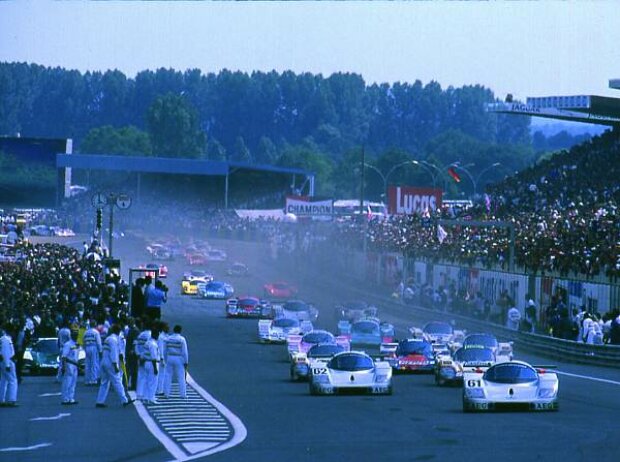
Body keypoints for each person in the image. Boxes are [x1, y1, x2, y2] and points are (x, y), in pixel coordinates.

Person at [96, 324, 132, 408]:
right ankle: (124, 400)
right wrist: (115, 364)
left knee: (104, 382)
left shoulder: (108, 338)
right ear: (118, 331)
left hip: (103, 362)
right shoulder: (114, 340)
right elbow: (114, 353)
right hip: (110, 363)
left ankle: (100, 401)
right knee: (117, 381)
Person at [164, 325, 189, 399]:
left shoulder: (168, 338)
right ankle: (183, 394)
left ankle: (166, 393)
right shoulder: (182, 339)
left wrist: (165, 359)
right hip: (178, 358)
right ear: (180, 331)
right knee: (181, 377)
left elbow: (165, 350)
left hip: (169, 357)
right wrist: (186, 362)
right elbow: (185, 352)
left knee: (168, 376)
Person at [0, 323, 18, 406]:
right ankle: (12, 399)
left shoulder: (3, 339)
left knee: (3, 380)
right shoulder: (6, 340)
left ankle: (1, 399)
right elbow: (5, 352)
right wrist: (7, 364)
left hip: (3, 361)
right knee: (12, 380)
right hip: (7, 361)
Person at [60, 330, 80, 405]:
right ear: (71, 335)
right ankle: (65, 399)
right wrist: (64, 366)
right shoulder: (67, 344)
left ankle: (71, 398)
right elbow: (64, 357)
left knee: (73, 382)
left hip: (75, 365)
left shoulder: (77, 344)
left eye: (77, 334)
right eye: (74, 334)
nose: (76, 336)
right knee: (67, 382)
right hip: (69, 365)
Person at [143, 325, 160, 405]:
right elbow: (154, 357)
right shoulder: (153, 344)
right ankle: (151, 397)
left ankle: (146, 397)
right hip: (152, 363)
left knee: (147, 381)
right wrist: (155, 368)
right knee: (153, 381)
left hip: (146, 362)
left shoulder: (147, 342)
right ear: (156, 335)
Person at [135, 323, 152, 401]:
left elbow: (136, 345)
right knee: (148, 377)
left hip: (140, 357)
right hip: (147, 358)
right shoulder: (150, 335)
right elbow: (149, 347)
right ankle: (146, 395)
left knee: (140, 376)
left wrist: (138, 355)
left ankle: (139, 394)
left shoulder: (140, 335)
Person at [83, 321, 103, 386]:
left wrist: (85, 348)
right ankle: (94, 380)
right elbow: (99, 342)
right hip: (94, 347)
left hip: (87, 347)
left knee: (87, 364)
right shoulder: (96, 332)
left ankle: (87, 380)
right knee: (94, 364)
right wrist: (100, 351)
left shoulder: (86, 332)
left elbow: (83, 341)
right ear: (95, 325)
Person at [156, 322, 168, 396]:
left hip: (166, 357)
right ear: (163, 328)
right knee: (161, 374)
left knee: (163, 374)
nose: (168, 328)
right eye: (167, 327)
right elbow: (160, 348)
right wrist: (162, 358)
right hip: (162, 358)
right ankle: (159, 390)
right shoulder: (161, 337)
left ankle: (161, 389)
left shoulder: (165, 336)